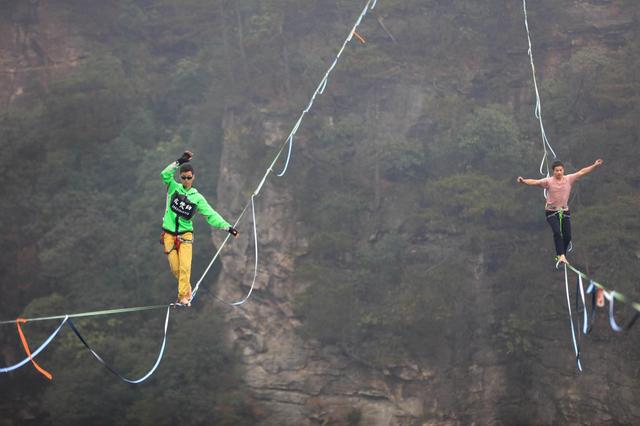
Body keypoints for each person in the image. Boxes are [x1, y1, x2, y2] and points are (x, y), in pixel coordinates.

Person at [161, 151, 238, 306]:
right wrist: (179, 162)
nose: (186, 181)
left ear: (193, 177)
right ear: (180, 177)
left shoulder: (197, 198)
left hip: (186, 236)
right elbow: (164, 174)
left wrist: (227, 227)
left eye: (189, 178)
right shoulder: (172, 187)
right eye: (183, 177)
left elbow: (211, 214)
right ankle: (187, 290)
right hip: (169, 235)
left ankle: (183, 296)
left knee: (184, 267)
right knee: (176, 269)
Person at [517, 159, 604, 265]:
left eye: (560, 170)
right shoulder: (548, 181)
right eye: (556, 170)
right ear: (553, 171)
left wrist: (594, 165)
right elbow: (535, 182)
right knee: (557, 233)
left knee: (567, 236)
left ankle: (561, 256)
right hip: (551, 212)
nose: (559, 172)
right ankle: (561, 255)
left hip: (564, 211)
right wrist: (523, 181)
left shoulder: (569, 179)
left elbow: (582, 172)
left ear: (563, 170)